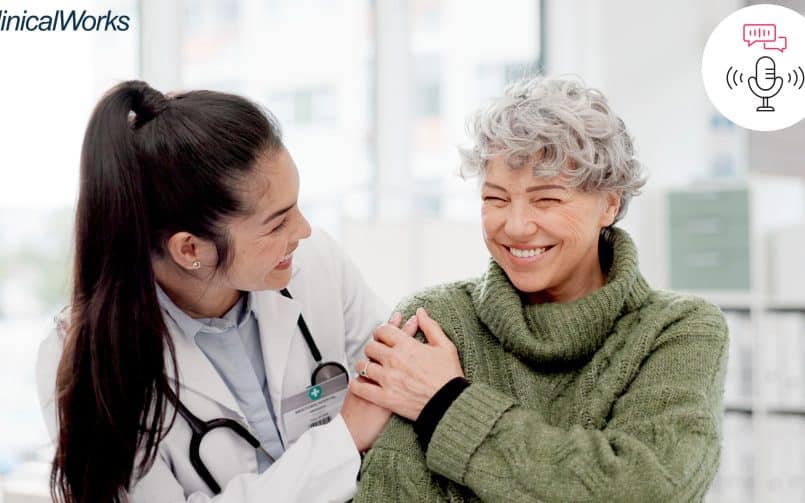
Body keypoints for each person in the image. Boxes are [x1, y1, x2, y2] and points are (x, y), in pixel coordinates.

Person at [350, 76, 729, 502]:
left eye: (546, 200)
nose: (514, 226)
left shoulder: (679, 330)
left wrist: (445, 404)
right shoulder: (436, 320)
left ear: (610, 202)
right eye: (495, 199)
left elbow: (647, 489)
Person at [35, 80, 406, 503]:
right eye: (276, 222)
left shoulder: (316, 264)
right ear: (189, 248)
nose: (302, 231)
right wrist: (344, 440)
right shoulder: (84, 358)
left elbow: (396, 391)